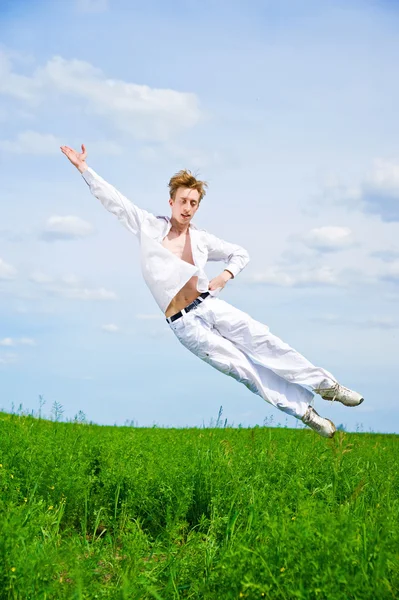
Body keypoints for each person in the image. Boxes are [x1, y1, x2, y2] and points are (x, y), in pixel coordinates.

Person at [60, 143, 364, 438]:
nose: (188, 208)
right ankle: (306, 414)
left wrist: (225, 276)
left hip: (209, 305)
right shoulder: (149, 227)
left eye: (194, 203)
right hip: (184, 325)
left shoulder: (202, 239)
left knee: (267, 343)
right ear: (171, 202)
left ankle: (329, 387)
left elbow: (240, 253)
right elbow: (114, 201)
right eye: (183, 201)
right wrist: (83, 168)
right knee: (244, 370)